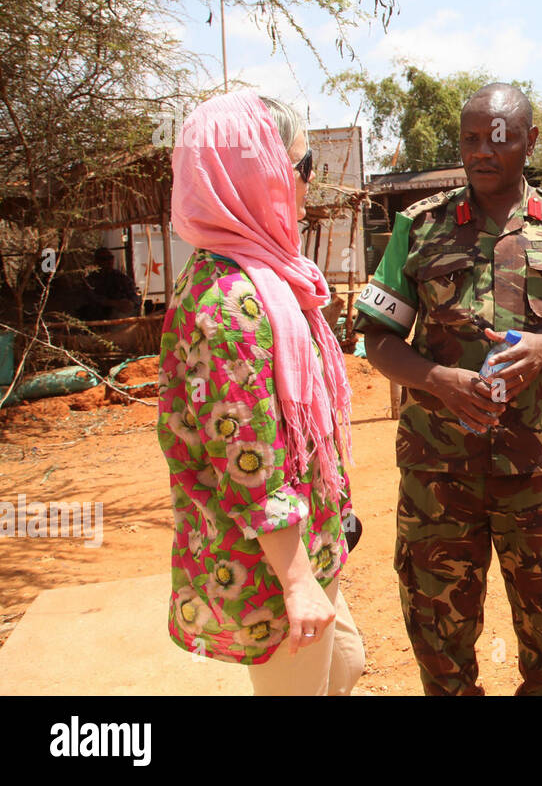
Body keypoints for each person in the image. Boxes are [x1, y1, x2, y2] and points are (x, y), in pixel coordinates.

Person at [354, 83, 542, 696]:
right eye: (471, 138)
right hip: (436, 475)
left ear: (529, 141)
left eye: (498, 138)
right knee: (439, 640)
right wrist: (438, 381)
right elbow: (378, 338)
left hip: (538, 474)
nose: (483, 150)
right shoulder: (416, 227)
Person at [158, 90, 364, 695]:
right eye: (299, 169)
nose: (304, 187)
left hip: (306, 536)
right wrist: (296, 580)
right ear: (257, 176)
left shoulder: (259, 276)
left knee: (346, 665)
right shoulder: (233, 304)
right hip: (268, 565)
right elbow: (249, 461)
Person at [78, 247, 140, 320]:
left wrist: (131, 303)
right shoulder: (91, 280)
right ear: (96, 261)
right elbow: (92, 298)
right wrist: (114, 303)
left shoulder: (121, 277)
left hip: (122, 316)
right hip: (100, 316)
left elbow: (134, 294)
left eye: (110, 258)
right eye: (104, 259)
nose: (108, 261)